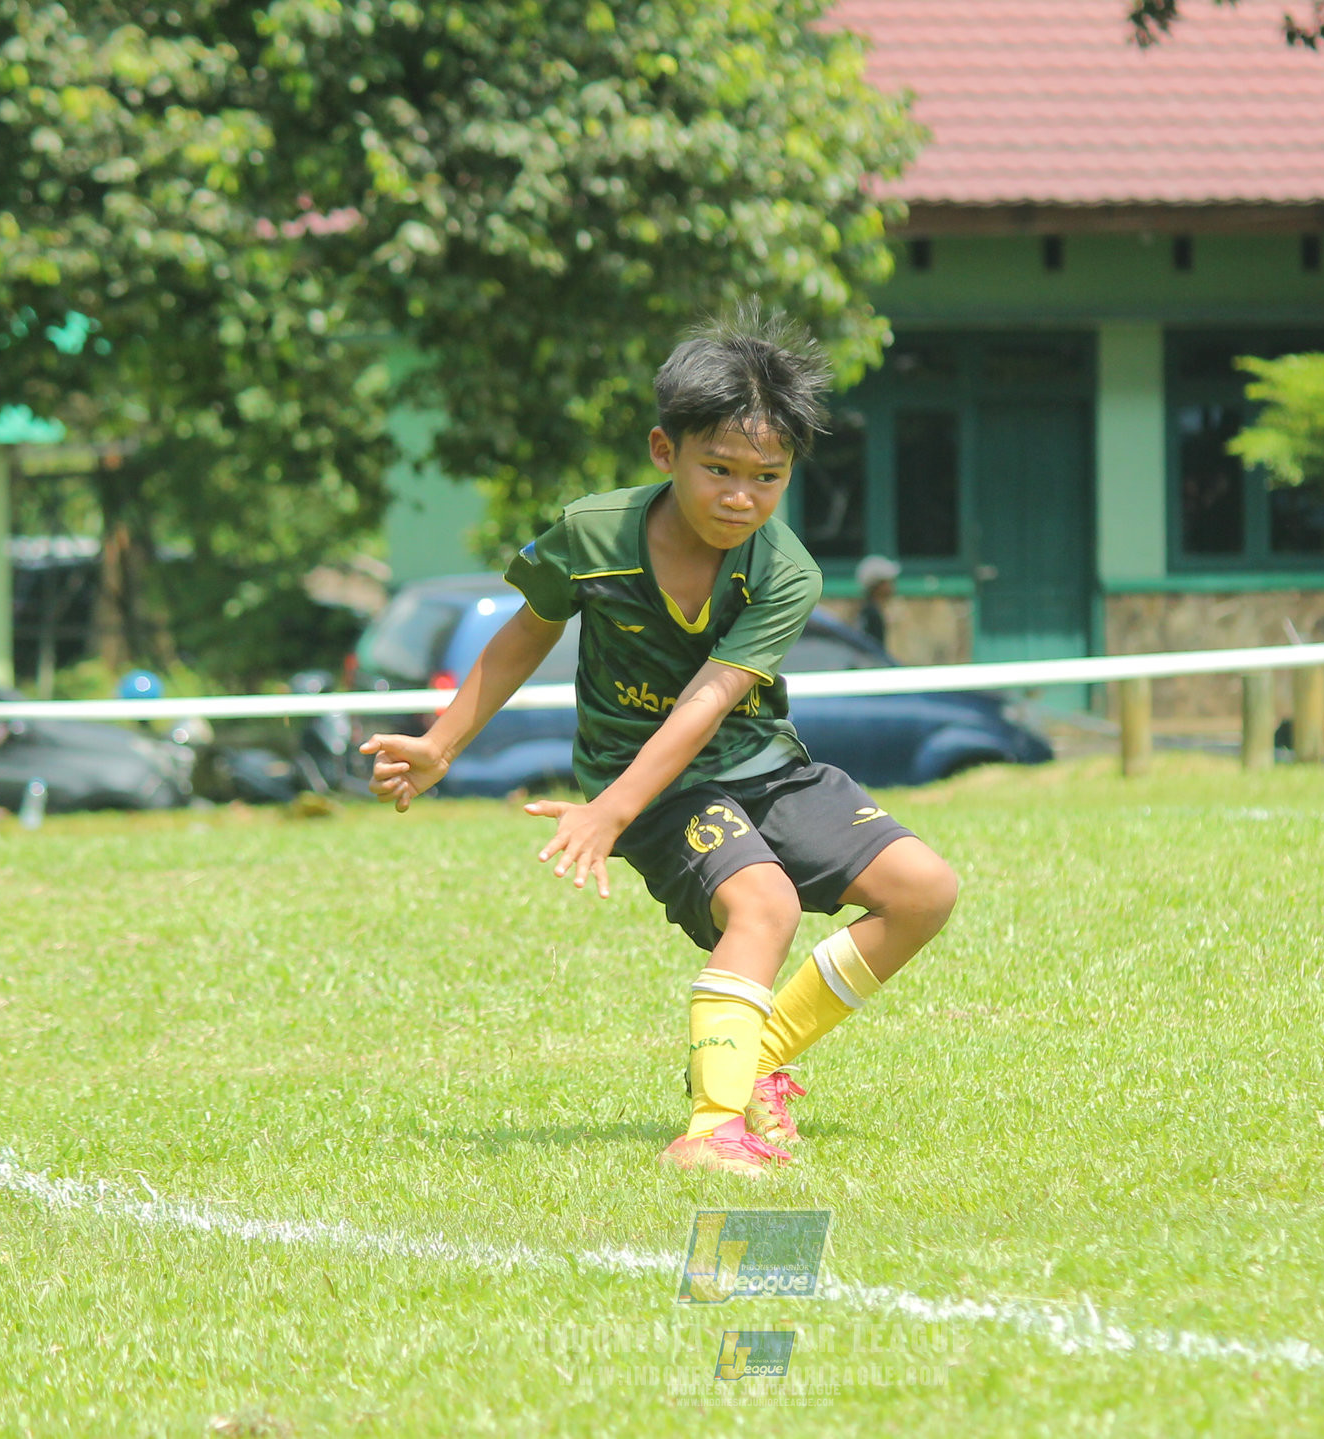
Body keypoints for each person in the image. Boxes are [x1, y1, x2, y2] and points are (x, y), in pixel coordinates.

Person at [360, 313, 959, 1176]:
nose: (740, 496)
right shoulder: (593, 533)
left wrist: (608, 813)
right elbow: (528, 632)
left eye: (768, 477)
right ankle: (713, 1129)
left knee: (924, 891)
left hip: (757, 761)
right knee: (765, 907)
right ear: (663, 450)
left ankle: (755, 1059)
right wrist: (441, 745)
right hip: (650, 784)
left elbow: (710, 701)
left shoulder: (785, 571)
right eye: (717, 468)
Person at [854, 554, 899, 651]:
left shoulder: (868, 611)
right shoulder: (872, 614)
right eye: (888, 582)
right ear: (877, 586)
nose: (892, 587)